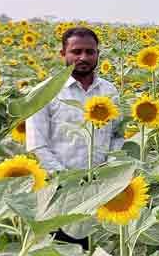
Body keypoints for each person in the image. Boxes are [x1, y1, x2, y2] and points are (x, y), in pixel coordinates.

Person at [27, 27, 124, 173]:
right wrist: (65, 178)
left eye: (90, 52)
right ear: (63, 54)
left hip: (104, 181)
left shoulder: (109, 90)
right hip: (58, 182)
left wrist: (109, 170)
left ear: (97, 54)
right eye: (76, 52)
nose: (83, 57)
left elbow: (117, 136)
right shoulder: (43, 92)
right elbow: (37, 146)